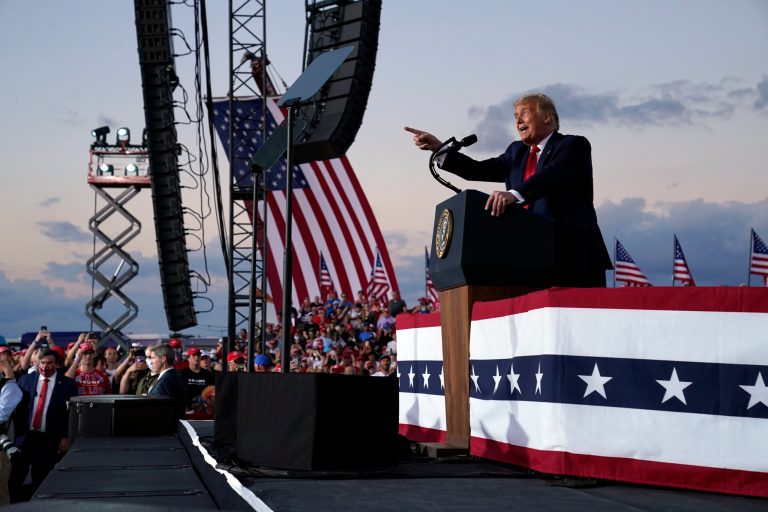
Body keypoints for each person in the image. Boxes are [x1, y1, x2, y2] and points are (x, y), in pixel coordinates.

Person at [406, 93, 612, 287]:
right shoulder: (516, 152)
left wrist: (513, 195)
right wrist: (439, 148)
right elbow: (476, 170)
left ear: (547, 118)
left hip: (573, 254)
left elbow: (552, 175)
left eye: (524, 113)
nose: (518, 121)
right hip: (529, 257)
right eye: (515, 116)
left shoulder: (573, 145)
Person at [16, 350, 78, 495]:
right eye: (42, 363)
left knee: (41, 475)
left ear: (57, 364)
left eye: (49, 363)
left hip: (49, 437)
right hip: (25, 436)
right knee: (17, 474)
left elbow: (71, 413)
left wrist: (65, 436)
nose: (45, 366)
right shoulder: (26, 380)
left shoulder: (67, 384)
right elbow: (18, 410)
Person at [0, 348, 22, 505]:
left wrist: (9, 375)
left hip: (0, 452)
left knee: (0, 493)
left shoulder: (10, 387)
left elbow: (1, 415)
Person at [147, 344, 188, 419]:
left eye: (153, 358)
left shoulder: (165, 382)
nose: (151, 362)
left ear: (163, 359)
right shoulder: (175, 377)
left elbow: (159, 412)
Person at [179, 348, 214, 418]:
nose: (196, 357)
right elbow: (179, 393)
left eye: (198, 355)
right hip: (187, 411)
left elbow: (212, 391)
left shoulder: (207, 374)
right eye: (194, 355)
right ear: (188, 358)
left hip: (205, 411)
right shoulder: (183, 374)